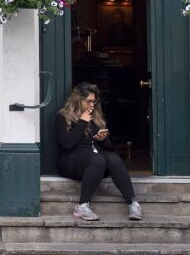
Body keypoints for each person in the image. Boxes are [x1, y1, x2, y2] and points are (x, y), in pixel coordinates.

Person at [55, 82, 141, 221]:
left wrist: (103, 138)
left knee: (113, 158)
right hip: (71, 162)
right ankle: (82, 206)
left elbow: (108, 147)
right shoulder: (63, 117)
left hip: (95, 162)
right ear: (77, 100)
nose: (91, 105)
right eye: (88, 101)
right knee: (97, 159)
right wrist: (82, 122)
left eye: (94, 101)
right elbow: (67, 144)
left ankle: (133, 203)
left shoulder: (96, 116)